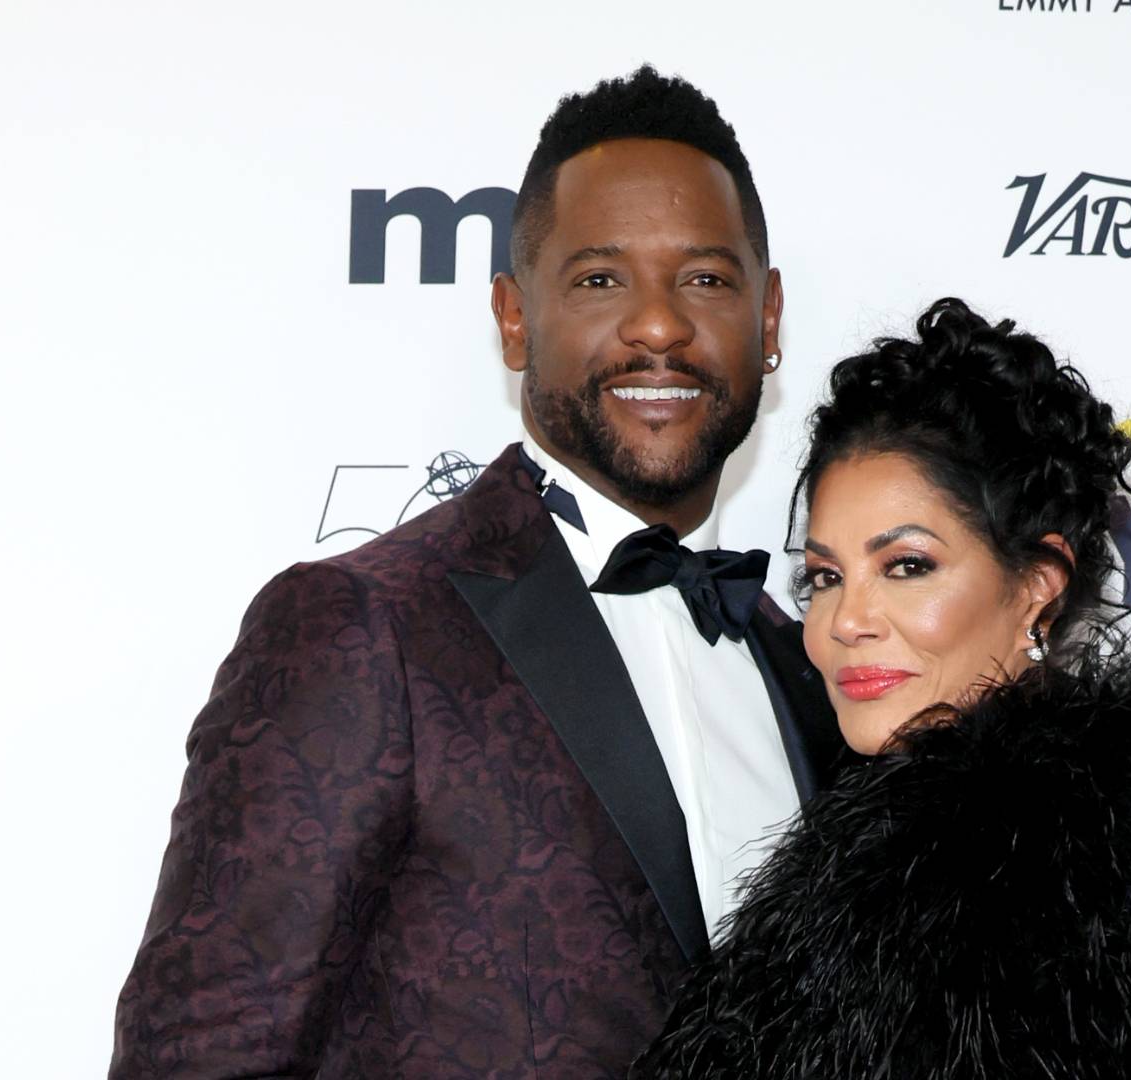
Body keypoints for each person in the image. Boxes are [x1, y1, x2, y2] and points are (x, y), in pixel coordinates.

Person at [109, 67, 844, 1079]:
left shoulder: (809, 665)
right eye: (599, 279)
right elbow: (200, 1057)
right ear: (512, 319)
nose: (661, 326)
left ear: (767, 325)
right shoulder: (362, 628)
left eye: (706, 280)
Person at [632, 298, 1131, 1079]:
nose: (845, 620)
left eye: (907, 566)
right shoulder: (893, 843)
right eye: (823, 576)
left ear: (1036, 587)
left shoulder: (1067, 877)